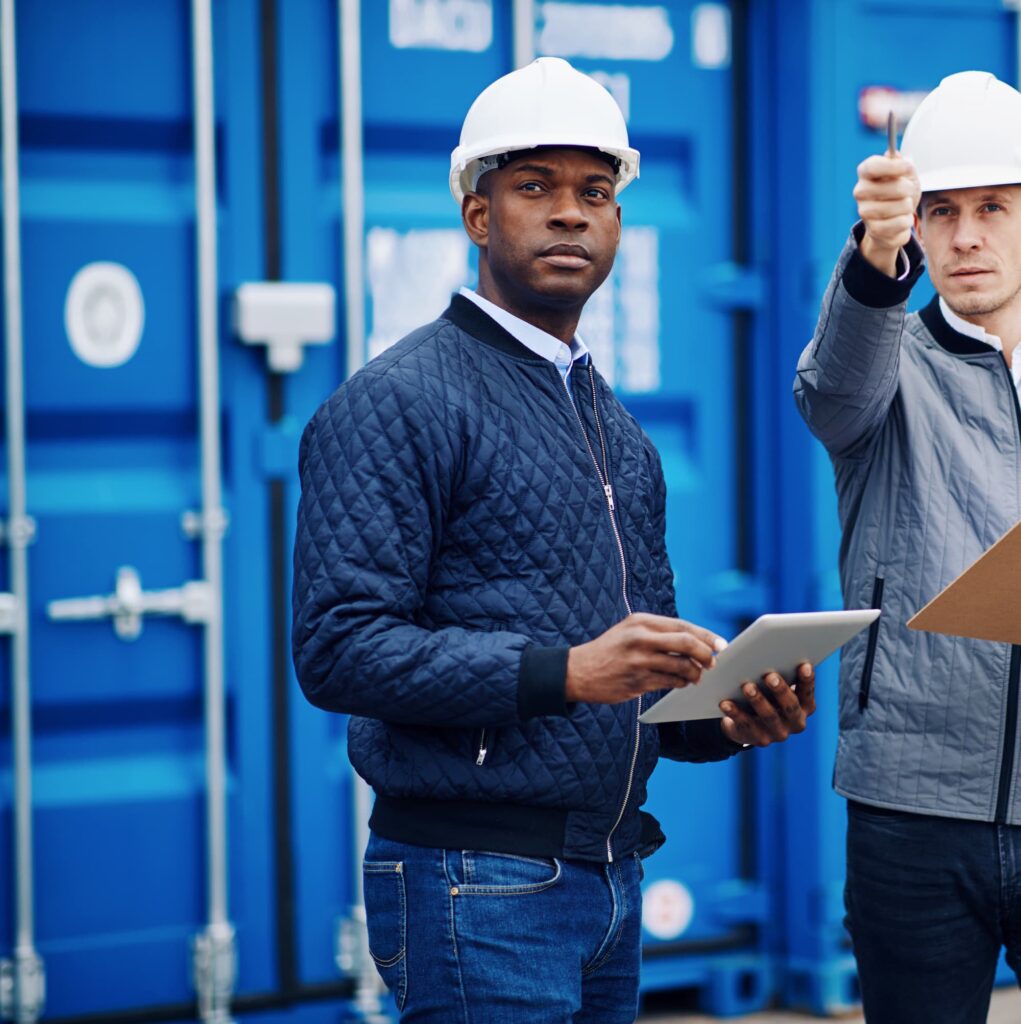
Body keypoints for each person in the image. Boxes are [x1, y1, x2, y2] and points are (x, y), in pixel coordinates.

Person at [294, 57, 815, 1024]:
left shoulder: (614, 427)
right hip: (472, 881)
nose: (569, 213)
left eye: (595, 192)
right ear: (477, 216)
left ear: (618, 223)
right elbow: (338, 649)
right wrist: (566, 670)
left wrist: (726, 717)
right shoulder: (396, 402)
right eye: (534, 187)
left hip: (608, 878)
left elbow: (637, 684)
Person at [794, 70, 1021, 1023]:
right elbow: (831, 392)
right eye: (941, 212)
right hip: (911, 811)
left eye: (994, 207)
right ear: (915, 229)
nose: (966, 235)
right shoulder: (886, 365)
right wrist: (872, 259)